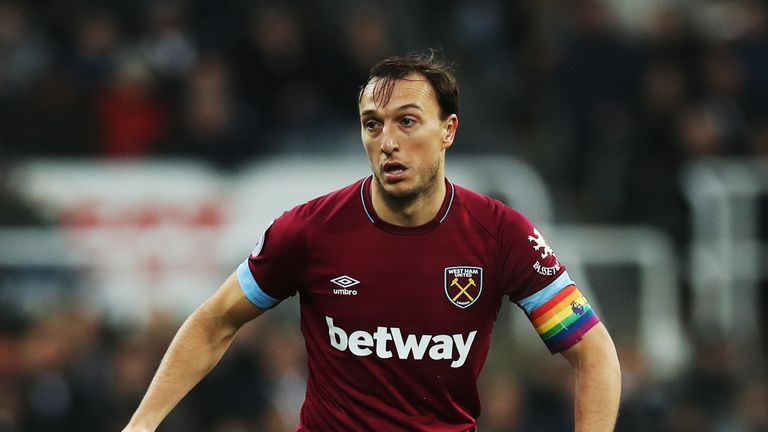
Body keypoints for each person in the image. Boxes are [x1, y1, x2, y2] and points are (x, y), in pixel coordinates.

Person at [123, 52, 621, 431]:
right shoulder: (309, 231)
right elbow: (215, 322)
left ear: (448, 130)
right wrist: (141, 424)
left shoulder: (501, 235)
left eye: (407, 121)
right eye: (372, 124)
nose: (387, 141)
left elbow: (593, 352)